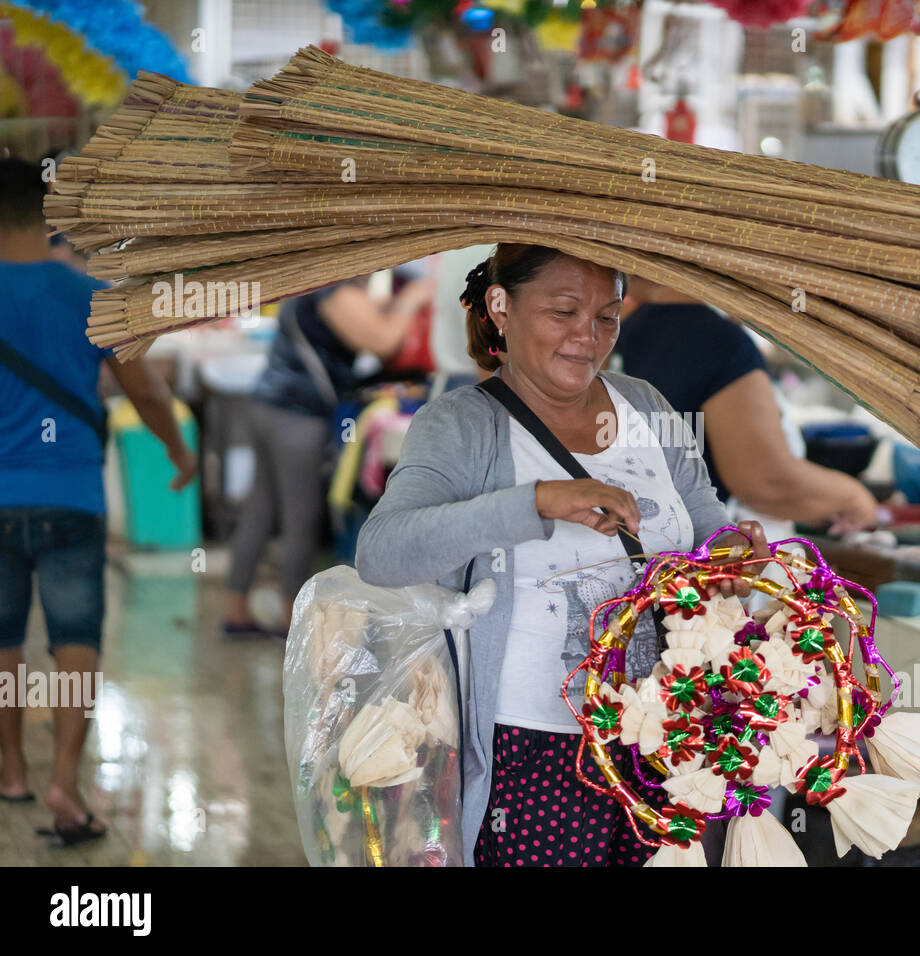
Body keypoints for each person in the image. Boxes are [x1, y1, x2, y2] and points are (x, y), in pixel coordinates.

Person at [353, 244, 765, 866]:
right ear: (501, 307)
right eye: (563, 312)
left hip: (668, 740)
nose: (587, 337)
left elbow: (707, 525)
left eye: (606, 316)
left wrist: (733, 558)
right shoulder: (464, 425)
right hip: (536, 753)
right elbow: (381, 553)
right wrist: (537, 502)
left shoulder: (647, 408)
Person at [0, 157, 198, 846]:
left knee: (3, 638)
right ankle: (63, 780)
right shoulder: (90, 296)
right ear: (49, 216)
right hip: (73, 495)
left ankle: (11, 770)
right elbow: (144, 390)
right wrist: (178, 450)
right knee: (74, 639)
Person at [223, 275, 433, 637]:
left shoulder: (318, 284)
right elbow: (384, 341)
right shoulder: (332, 288)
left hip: (269, 405)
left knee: (260, 511)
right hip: (297, 415)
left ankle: (236, 611)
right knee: (300, 519)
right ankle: (292, 621)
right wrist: (411, 299)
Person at [613, 276, 879, 534]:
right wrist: (853, 498)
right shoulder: (719, 343)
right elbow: (766, 482)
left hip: (641, 532)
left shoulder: (631, 326)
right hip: (699, 549)